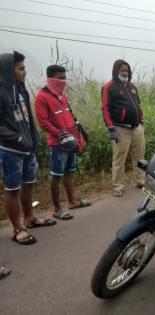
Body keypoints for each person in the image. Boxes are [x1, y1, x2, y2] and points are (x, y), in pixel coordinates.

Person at [0, 51, 56, 245]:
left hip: (28, 149)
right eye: (21, 68)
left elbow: (28, 117)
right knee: (13, 189)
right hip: (11, 151)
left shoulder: (21, 89)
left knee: (28, 184)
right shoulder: (1, 91)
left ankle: (30, 219)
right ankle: (17, 229)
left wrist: (33, 137)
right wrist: (18, 138)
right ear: (8, 70)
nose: (25, 72)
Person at [35, 65, 91, 220]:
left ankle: (72, 201)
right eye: (60, 78)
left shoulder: (62, 96)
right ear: (51, 78)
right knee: (56, 175)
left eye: (64, 78)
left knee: (68, 173)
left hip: (71, 141)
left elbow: (70, 117)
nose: (63, 81)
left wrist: (78, 136)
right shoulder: (41, 97)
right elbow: (43, 123)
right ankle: (57, 208)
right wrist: (59, 133)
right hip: (57, 143)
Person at [102, 60, 145, 197]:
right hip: (121, 129)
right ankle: (118, 186)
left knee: (139, 157)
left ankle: (140, 180)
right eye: (122, 70)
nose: (125, 73)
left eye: (127, 70)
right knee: (119, 159)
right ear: (116, 71)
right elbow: (105, 109)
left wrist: (141, 121)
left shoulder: (132, 86)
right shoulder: (109, 87)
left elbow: (138, 104)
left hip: (137, 128)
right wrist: (111, 129)